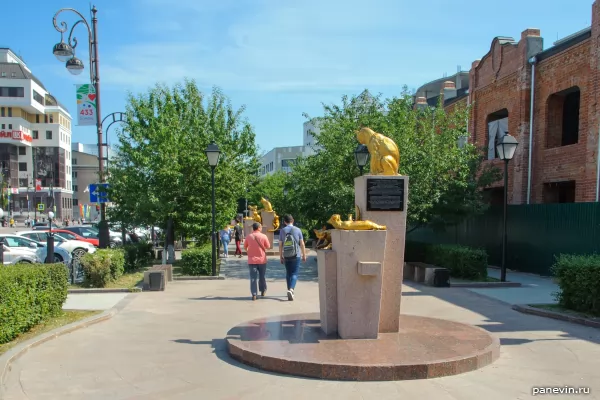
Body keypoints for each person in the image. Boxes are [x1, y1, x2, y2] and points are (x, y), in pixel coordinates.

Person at [279, 214, 306, 301]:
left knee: (288, 273)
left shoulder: (282, 231)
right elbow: (302, 243)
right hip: (296, 255)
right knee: (294, 273)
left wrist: (281, 256)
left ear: (284, 222)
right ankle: (291, 289)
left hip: (286, 255)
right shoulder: (298, 230)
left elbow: (280, 245)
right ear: (293, 220)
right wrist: (304, 255)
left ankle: (289, 290)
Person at [244, 222, 270, 300]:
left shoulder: (249, 236)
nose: (261, 228)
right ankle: (263, 290)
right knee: (262, 277)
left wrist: (249, 252)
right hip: (262, 260)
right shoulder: (263, 236)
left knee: (253, 278)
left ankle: (254, 294)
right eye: (261, 227)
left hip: (252, 260)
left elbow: (245, 247)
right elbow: (268, 246)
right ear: (258, 228)